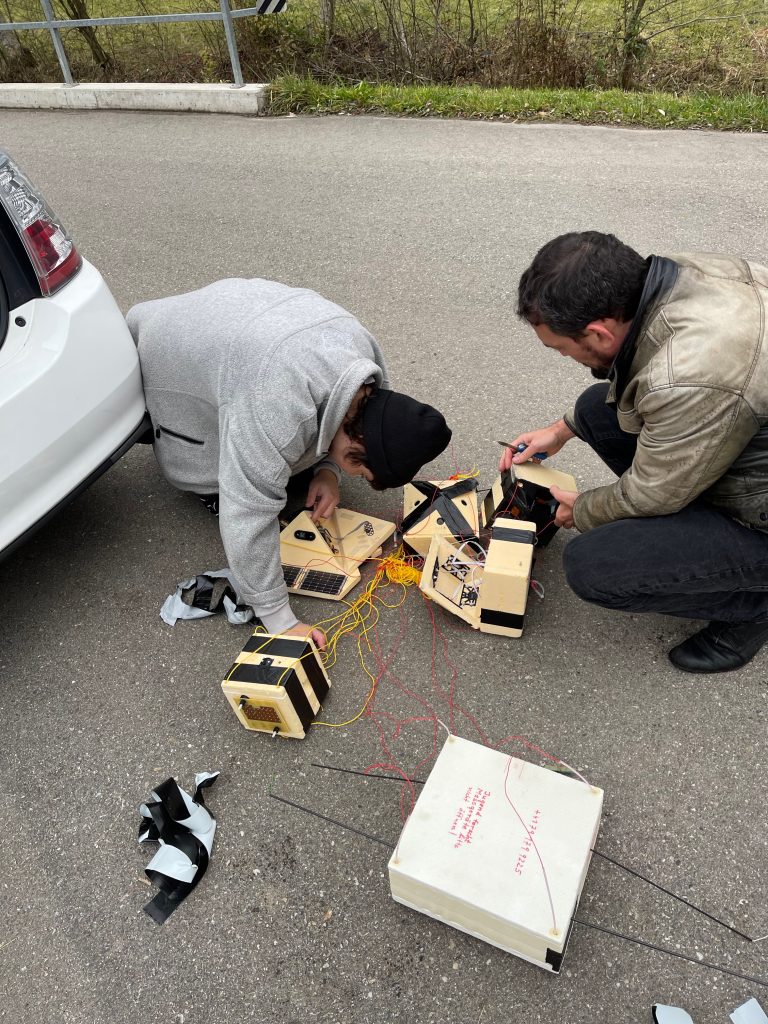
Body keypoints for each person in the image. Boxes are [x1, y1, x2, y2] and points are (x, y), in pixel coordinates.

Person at [128, 278, 451, 648]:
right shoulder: (276, 405)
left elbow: (345, 420)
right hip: (162, 348)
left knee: (274, 459)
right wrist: (280, 620)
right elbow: (246, 512)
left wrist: (328, 470)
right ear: (357, 443)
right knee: (233, 484)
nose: (355, 476)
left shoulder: (362, 362)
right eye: (359, 469)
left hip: (232, 320)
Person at [502, 231, 768, 674]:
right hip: (745, 435)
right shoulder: (685, 273)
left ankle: (755, 608)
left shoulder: (689, 376)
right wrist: (561, 430)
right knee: (593, 408)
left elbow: (652, 496)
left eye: (559, 348)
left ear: (598, 333)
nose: (562, 356)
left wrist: (582, 511)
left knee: (594, 567)